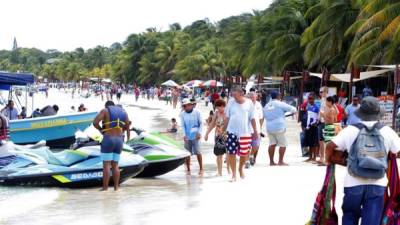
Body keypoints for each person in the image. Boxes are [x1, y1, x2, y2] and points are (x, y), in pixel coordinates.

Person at [326, 96, 400, 225]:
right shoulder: (387, 131)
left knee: (349, 215)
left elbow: (330, 146)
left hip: (353, 182)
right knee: (371, 222)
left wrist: (329, 160)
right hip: (378, 183)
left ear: (361, 113)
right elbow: (396, 150)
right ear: (378, 113)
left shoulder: (350, 130)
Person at [93, 100, 130, 191]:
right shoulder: (124, 112)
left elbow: (95, 122)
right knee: (115, 165)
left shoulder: (105, 111)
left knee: (106, 165)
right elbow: (127, 126)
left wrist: (101, 129)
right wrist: (127, 136)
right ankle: (116, 188)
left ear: (107, 106)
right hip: (119, 140)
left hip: (109, 139)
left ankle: (105, 188)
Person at [224, 86, 259, 182]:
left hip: (245, 132)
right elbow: (227, 117)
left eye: (235, 95)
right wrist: (224, 130)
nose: (234, 97)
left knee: (244, 153)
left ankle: (240, 169)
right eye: (233, 95)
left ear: (241, 94)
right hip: (231, 131)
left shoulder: (249, 103)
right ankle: (234, 175)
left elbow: (252, 118)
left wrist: (255, 131)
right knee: (231, 153)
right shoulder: (231, 102)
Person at [263, 91, 297, 166]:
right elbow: (293, 109)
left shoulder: (267, 105)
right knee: (283, 144)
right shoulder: (280, 103)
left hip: (269, 127)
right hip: (279, 126)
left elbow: (264, 115)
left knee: (272, 144)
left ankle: (271, 162)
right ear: (278, 96)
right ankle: (280, 161)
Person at [204, 99, 229, 176]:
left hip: (227, 136)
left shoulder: (228, 113)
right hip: (218, 137)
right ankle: (219, 172)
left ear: (223, 106)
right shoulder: (216, 113)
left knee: (229, 154)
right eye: (216, 107)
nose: (217, 109)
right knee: (219, 154)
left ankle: (229, 171)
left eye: (218, 107)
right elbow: (212, 124)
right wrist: (207, 133)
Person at [180, 98, 203, 175]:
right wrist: (184, 135)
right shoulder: (182, 114)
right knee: (187, 153)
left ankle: (201, 168)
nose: (185, 107)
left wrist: (199, 133)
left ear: (191, 105)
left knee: (198, 152)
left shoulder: (197, 112)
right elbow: (183, 126)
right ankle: (188, 170)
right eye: (184, 106)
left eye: (187, 105)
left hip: (196, 136)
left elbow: (201, 123)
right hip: (187, 136)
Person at [319, 96, 338, 165]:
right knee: (327, 143)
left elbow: (332, 120)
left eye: (327, 101)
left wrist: (323, 115)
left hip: (330, 127)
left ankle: (328, 160)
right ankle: (327, 160)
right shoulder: (330, 108)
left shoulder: (331, 109)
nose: (326, 103)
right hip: (328, 126)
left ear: (330, 102)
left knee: (328, 144)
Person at [248, 91, 264, 167]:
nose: (252, 99)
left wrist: (260, 128)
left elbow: (261, 117)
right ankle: (247, 160)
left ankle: (252, 156)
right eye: (251, 97)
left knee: (256, 145)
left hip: (257, 128)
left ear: (256, 97)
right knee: (247, 146)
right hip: (247, 129)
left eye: (254, 97)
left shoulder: (258, 105)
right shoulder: (246, 104)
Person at [304, 93, 320, 162]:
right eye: (309, 98)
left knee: (315, 142)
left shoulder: (316, 107)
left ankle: (314, 157)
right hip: (308, 127)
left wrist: (316, 123)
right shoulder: (308, 107)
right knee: (309, 142)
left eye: (311, 98)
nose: (310, 100)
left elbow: (318, 117)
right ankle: (310, 157)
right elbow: (307, 117)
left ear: (314, 99)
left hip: (314, 126)